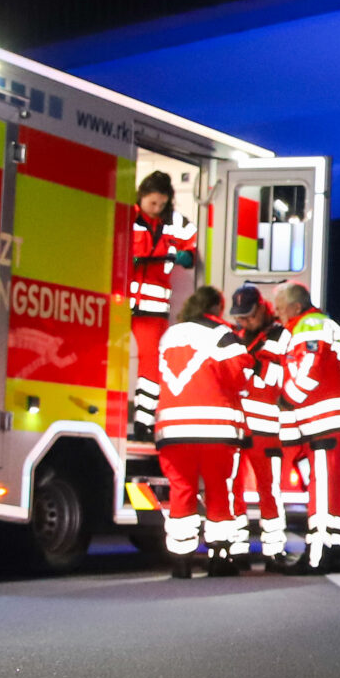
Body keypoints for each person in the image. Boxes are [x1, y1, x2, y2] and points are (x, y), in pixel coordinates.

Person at [269, 282, 340, 574]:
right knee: (339, 488)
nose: (278, 315)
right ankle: (337, 552)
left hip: (328, 419)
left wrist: (287, 398)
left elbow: (310, 368)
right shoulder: (326, 324)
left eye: (280, 308)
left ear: (296, 306)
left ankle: (318, 555)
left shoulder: (308, 326)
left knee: (323, 488)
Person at [151, 285, 249, 577]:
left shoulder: (169, 335)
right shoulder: (223, 336)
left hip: (172, 430)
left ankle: (181, 560)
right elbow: (239, 378)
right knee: (219, 490)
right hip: (215, 429)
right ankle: (219, 557)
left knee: (182, 490)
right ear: (217, 308)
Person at [126, 170, 199, 441]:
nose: (156, 209)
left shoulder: (176, 222)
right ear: (142, 197)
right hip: (121, 304)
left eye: (161, 204)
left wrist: (183, 255)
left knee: (150, 367)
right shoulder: (127, 216)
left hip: (154, 308)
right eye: (152, 203)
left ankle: (144, 421)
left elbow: (192, 246)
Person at [228, 284, 286, 571]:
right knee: (233, 489)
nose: (244, 322)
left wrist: (245, 364)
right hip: (236, 426)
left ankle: (274, 551)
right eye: (240, 317)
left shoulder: (279, 336)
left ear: (262, 309)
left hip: (265, 428)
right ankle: (237, 549)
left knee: (269, 490)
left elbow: (271, 377)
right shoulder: (234, 335)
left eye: (249, 317)